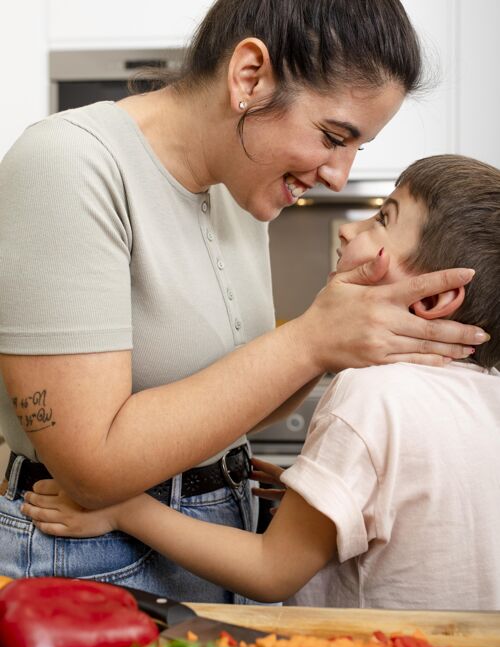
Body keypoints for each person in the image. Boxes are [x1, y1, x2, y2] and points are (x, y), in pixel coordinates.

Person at [0, 0, 486, 602]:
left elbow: (237, 400)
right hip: (90, 554)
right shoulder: (69, 162)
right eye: (334, 137)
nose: (340, 175)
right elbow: (91, 470)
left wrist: (333, 339)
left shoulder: (240, 185)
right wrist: (313, 337)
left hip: (222, 524)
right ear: (249, 78)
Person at [21, 154, 500, 610]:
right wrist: (315, 494)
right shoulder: (488, 391)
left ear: (435, 299)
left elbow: (272, 572)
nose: (350, 230)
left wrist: (125, 511)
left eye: (382, 220)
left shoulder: (372, 394)